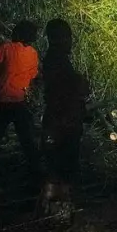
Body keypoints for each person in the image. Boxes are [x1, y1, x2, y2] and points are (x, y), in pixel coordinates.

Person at [39, 18, 90, 214]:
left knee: (57, 165)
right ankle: (58, 209)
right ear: (59, 38)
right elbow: (68, 90)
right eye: (68, 37)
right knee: (62, 166)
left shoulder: (54, 59)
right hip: (63, 122)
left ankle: (54, 208)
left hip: (59, 121)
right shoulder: (57, 61)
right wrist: (80, 84)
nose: (71, 41)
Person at [0, 20, 42, 177]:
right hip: (19, 101)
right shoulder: (33, 53)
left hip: (2, 99)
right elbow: (33, 76)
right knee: (27, 139)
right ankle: (35, 171)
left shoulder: (6, 48)